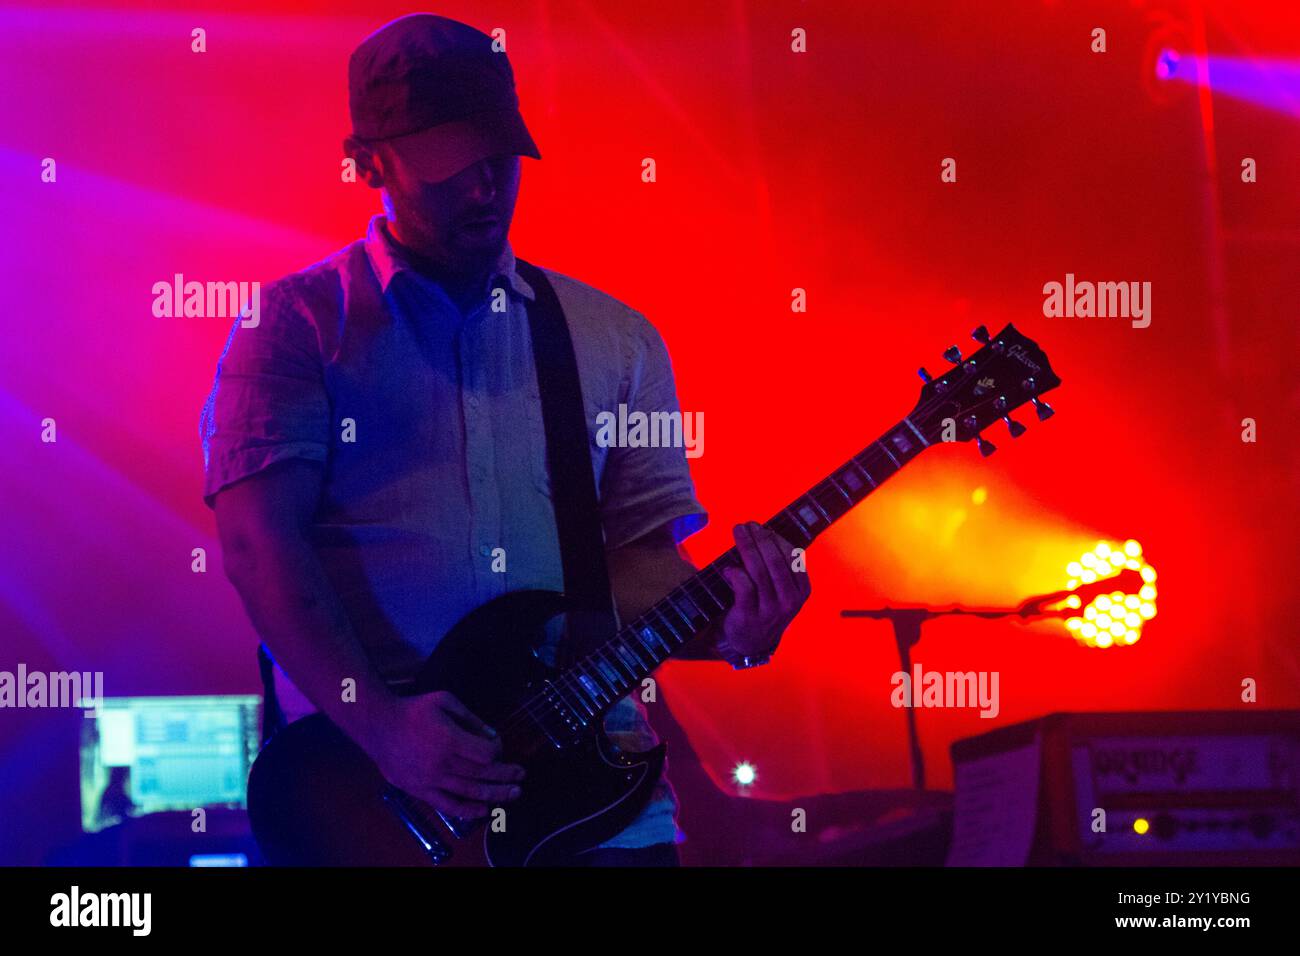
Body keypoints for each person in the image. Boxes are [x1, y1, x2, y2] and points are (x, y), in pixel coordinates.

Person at [201, 13, 809, 866]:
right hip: (373, 804)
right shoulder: (295, 327)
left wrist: (736, 628)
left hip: (599, 808)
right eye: (449, 166)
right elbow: (259, 546)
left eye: (499, 156)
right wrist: (383, 726)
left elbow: (632, 571)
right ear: (368, 160)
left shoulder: (616, 339)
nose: (485, 186)